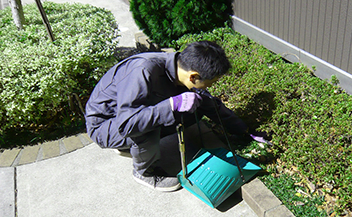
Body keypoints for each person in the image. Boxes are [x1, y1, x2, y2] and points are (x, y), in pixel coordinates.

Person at [85, 41, 256, 192]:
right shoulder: (143, 71)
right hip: (105, 125)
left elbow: (208, 103)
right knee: (148, 125)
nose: (211, 86)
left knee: (196, 104)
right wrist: (171, 105)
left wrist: (243, 130)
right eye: (210, 83)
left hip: (126, 115)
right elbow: (126, 124)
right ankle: (144, 172)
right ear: (194, 76)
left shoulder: (178, 67)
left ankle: (130, 145)